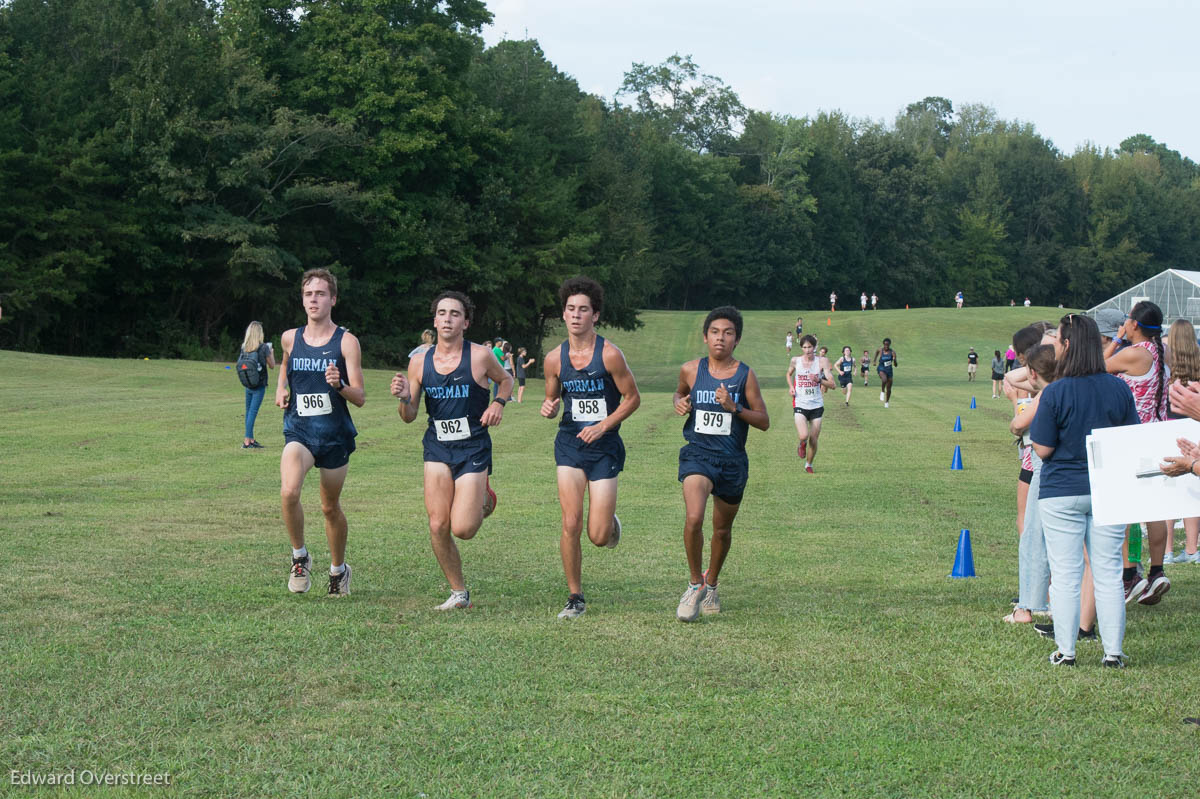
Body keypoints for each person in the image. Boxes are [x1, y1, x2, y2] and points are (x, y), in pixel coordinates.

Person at [392, 291, 512, 610]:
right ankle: (459, 593)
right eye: (442, 313)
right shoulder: (419, 362)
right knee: (437, 524)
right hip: (437, 446)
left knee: (464, 528)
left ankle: (485, 496)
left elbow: (506, 380)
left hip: (472, 446)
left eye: (455, 314)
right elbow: (409, 416)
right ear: (434, 321)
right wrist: (405, 397)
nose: (447, 318)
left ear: (466, 322)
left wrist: (498, 403)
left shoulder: (481, 356)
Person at [1031, 313, 1137, 667]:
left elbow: (1043, 449)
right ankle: (1113, 653)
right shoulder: (1118, 387)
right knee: (1107, 572)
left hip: (1062, 489)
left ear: (1068, 344)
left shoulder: (1056, 391)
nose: (1054, 346)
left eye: (1058, 340)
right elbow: (1129, 441)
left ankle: (1066, 651)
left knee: (1066, 572)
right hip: (1107, 487)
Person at [541, 277, 641, 619]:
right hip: (570, 443)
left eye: (583, 309)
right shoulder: (554, 359)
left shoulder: (610, 354)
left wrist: (603, 425)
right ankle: (575, 596)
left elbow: (632, 398)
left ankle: (608, 522)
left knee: (597, 536)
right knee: (570, 522)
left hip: (605, 446)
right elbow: (552, 396)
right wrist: (549, 406)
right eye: (570, 309)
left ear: (595, 315)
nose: (576, 315)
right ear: (564, 314)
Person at [672, 307, 769, 621]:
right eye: (715, 332)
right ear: (705, 336)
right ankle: (694, 584)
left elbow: (764, 421)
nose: (721, 338)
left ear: (736, 339)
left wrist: (733, 406)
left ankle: (711, 583)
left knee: (722, 530)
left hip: (731, 462)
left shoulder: (745, 375)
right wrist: (679, 402)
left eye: (728, 333)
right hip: (698, 455)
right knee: (694, 516)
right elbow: (679, 393)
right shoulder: (690, 369)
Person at [276, 268, 365, 597]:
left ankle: (339, 571)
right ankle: (300, 557)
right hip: (298, 431)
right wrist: (281, 388)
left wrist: (338, 384)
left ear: (333, 299)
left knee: (329, 507)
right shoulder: (290, 337)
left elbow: (360, 396)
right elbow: (286, 361)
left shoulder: (346, 342)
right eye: (308, 294)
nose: (314, 299)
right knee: (289, 492)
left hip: (333, 436)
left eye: (321, 294)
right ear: (302, 299)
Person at [1106, 301, 1171, 604]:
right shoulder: (1160, 354)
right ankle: (1157, 571)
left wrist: (1117, 339)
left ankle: (1129, 574)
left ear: (1134, 324)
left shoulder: (1133, 353)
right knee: (1154, 509)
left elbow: (1094, 367)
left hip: (1132, 435)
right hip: (1157, 433)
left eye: (1127, 321)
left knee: (1125, 509)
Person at [1161, 319, 1200, 564]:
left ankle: (1166, 551)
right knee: (1193, 490)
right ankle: (1191, 548)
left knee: (1169, 489)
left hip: (1170, 429)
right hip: (1195, 427)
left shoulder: (1166, 366)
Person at [787, 335, 836, 473]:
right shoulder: (795, 360)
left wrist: (819, 380)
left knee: (813, 440)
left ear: (815, 347)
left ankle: (809, 464)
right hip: (800, 403)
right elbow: (788, 374)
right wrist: (791, 386)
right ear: (801, 348)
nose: (807, 350)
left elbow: (833, 385)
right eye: (804, 347)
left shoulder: (822, 361)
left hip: (816, 405)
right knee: (804, 435)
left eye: (810, 347)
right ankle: (802, 444)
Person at [239, 321, 276, 448]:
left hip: (248, 384)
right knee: (252, 412)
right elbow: (272, 366)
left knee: (249, 411)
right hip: (259, 385)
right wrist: (272, 353)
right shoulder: (264, 348)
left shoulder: (245, 347)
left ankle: (250, 439)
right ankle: (247, 441)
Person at [874, 338, 898, 407]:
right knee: (884, 379)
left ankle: (887, 402)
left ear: (889, 345)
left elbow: (896, 365)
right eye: (885, 345)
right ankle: (882, 391)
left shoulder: (892, 352)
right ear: (883, 344)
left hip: (889, 370)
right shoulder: (880, 350)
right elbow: (876, 353)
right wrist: (875, 361)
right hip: (881, 368)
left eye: (887, 345)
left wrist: (894, 360)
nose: (886, 346)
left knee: (889, 388)